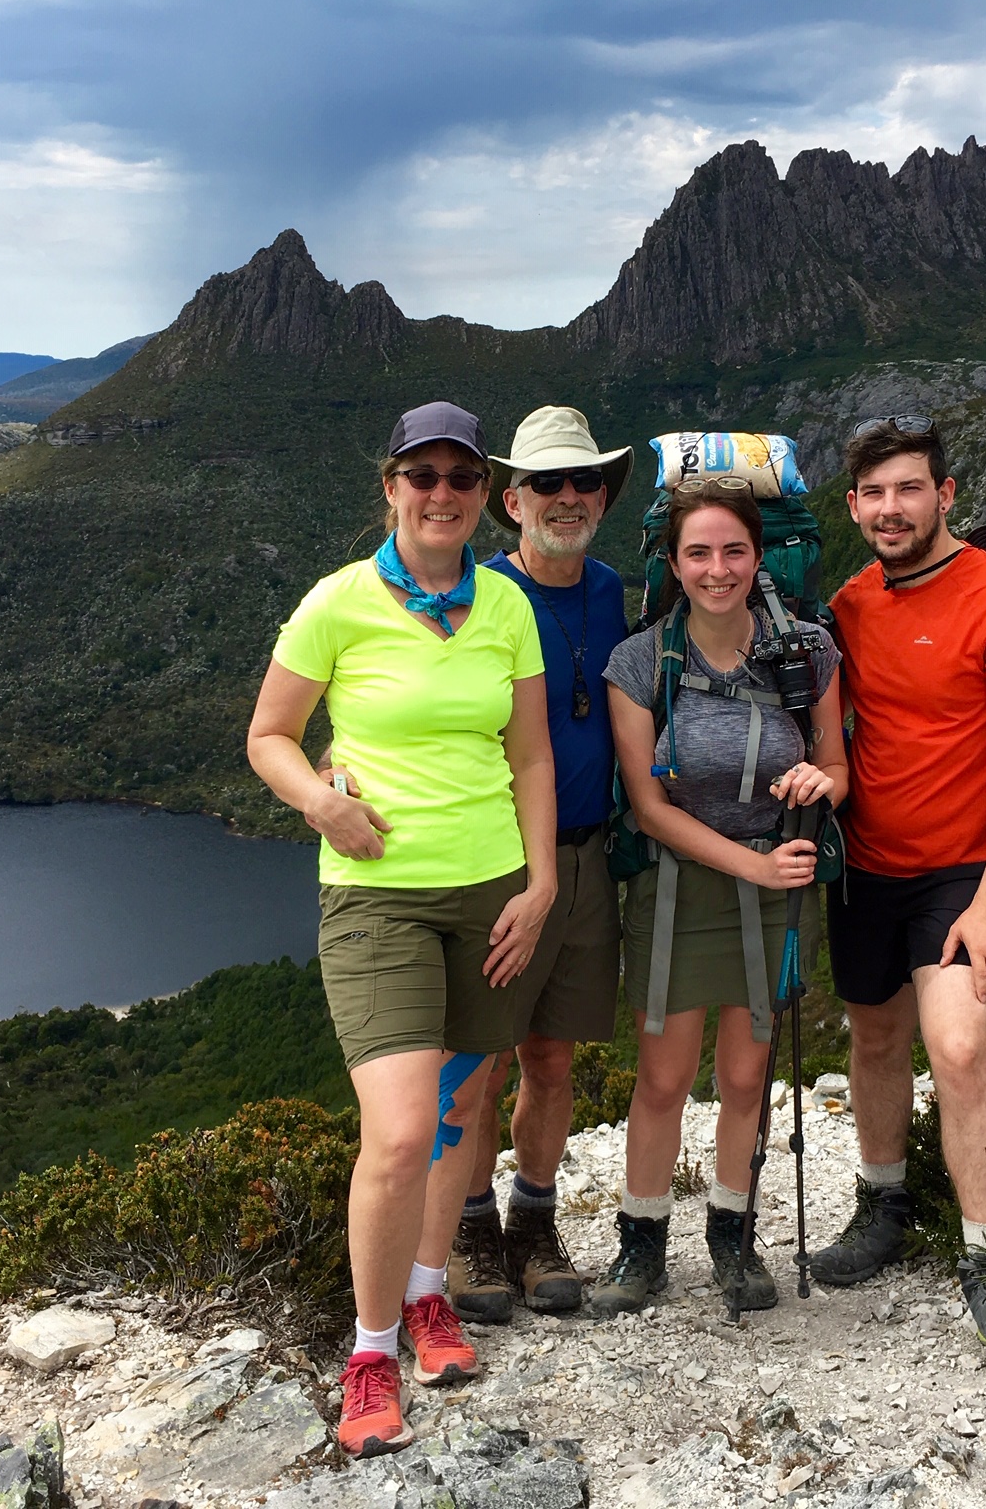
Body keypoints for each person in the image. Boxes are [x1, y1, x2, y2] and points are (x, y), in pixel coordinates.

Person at [245, 401, 557, 1457]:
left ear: (482, 495)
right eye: (421, 476)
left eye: (460, 479)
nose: (441, 495)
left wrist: (543, 881)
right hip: (375, 895)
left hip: (494, 895)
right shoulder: (336, 603)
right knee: (400, 1132)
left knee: (465, 1107)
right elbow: (270, 736)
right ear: (390, 486)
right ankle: (372, 1352)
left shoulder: (506, 605)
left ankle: (431, 1296)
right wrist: (321, 804)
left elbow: (531, 760)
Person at [809, 414, 986, 1379]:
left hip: (964, 872)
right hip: (868, 862)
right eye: (873, 494)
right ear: (853, 506)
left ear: (947, 495)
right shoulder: (849, 604)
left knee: (960, 1047)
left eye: (909, 489)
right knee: (873, 1036)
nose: (890, 509)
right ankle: (884, 1206)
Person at [588, 487, 847, 1317]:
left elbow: (838, 766)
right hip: (676, 888)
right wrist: (752, 864)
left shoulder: (807, 654)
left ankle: (732, 1238)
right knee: (663, 1079)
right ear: (673, 564)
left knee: (746, 1076)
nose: (717, 570)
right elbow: (649, 804)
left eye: (733, 551)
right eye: (698, 554)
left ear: (758, 556)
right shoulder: (641, 663)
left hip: (778, 879)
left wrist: (821, 782)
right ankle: (642, 1243)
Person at [439, 407, 632, 1324]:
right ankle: (471, 1230)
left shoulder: (611, 590)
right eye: (546, 484)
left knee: (549, 1057)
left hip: (589, 855)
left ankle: (533, 1223)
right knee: (478, 1061)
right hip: (499, 861)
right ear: (511, 500)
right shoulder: (474, 596)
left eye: (583, 481)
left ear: (603, 496)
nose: (566, 497)